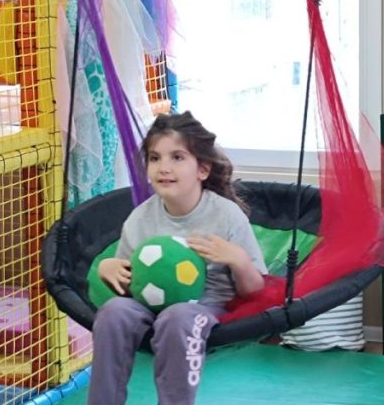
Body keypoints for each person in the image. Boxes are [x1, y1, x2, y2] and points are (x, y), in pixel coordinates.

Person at [88, 111, 267, 405]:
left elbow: (255, 291)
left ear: (203, 169)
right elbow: (129, 286)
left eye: (177, 157)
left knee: (178, 317)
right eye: (154, 158)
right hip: (148, 306)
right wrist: (109, 271)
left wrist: (239, 260)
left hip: (206, 307)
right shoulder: (140, 218)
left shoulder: (226, 215)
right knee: (113, 311)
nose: (164, 167)